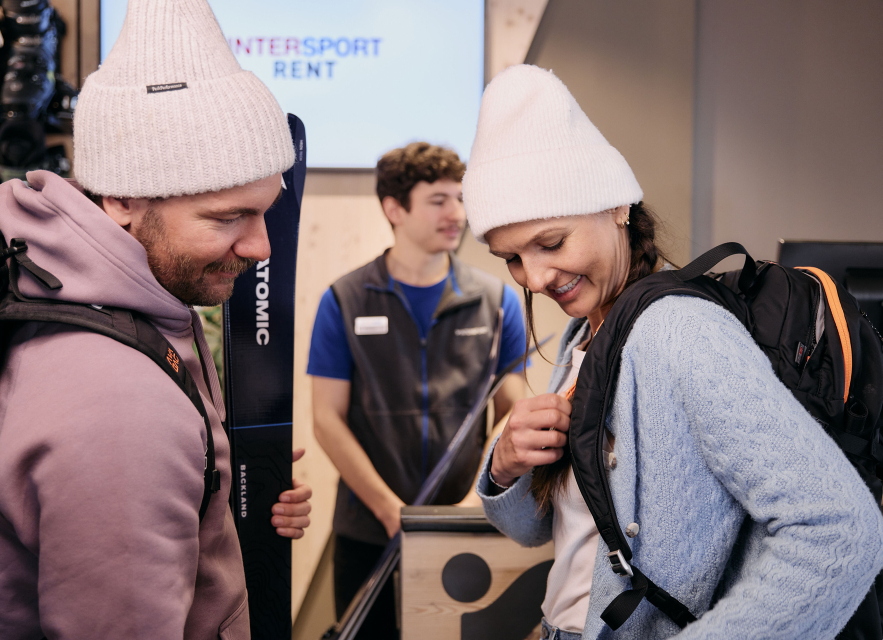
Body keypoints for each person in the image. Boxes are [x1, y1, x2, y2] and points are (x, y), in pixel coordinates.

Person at [465, 64, 883, 640]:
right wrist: (508, 465)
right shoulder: (585, 335)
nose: (532, 277)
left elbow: (839, 530)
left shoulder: (678, 332)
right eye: (510, 258)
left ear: (617, 207)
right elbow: (554, 536)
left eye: (551, 242)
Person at [0, 1, 311, 638]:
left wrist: (221, 491)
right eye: (226, 216)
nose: (262, 246)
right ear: (123, 197)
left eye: (265, 212)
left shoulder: (129, 309)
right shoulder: (116, 401)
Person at [309, 142, 528, 637]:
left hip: (469, 525)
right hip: (369, 531)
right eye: (438, 200)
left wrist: (476, 504)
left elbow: (513, 412)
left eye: (460, 198)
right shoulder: (343, 300)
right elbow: (325, 419)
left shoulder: (497, 303)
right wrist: (393, 514)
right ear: (394, 208)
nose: (457, 214)